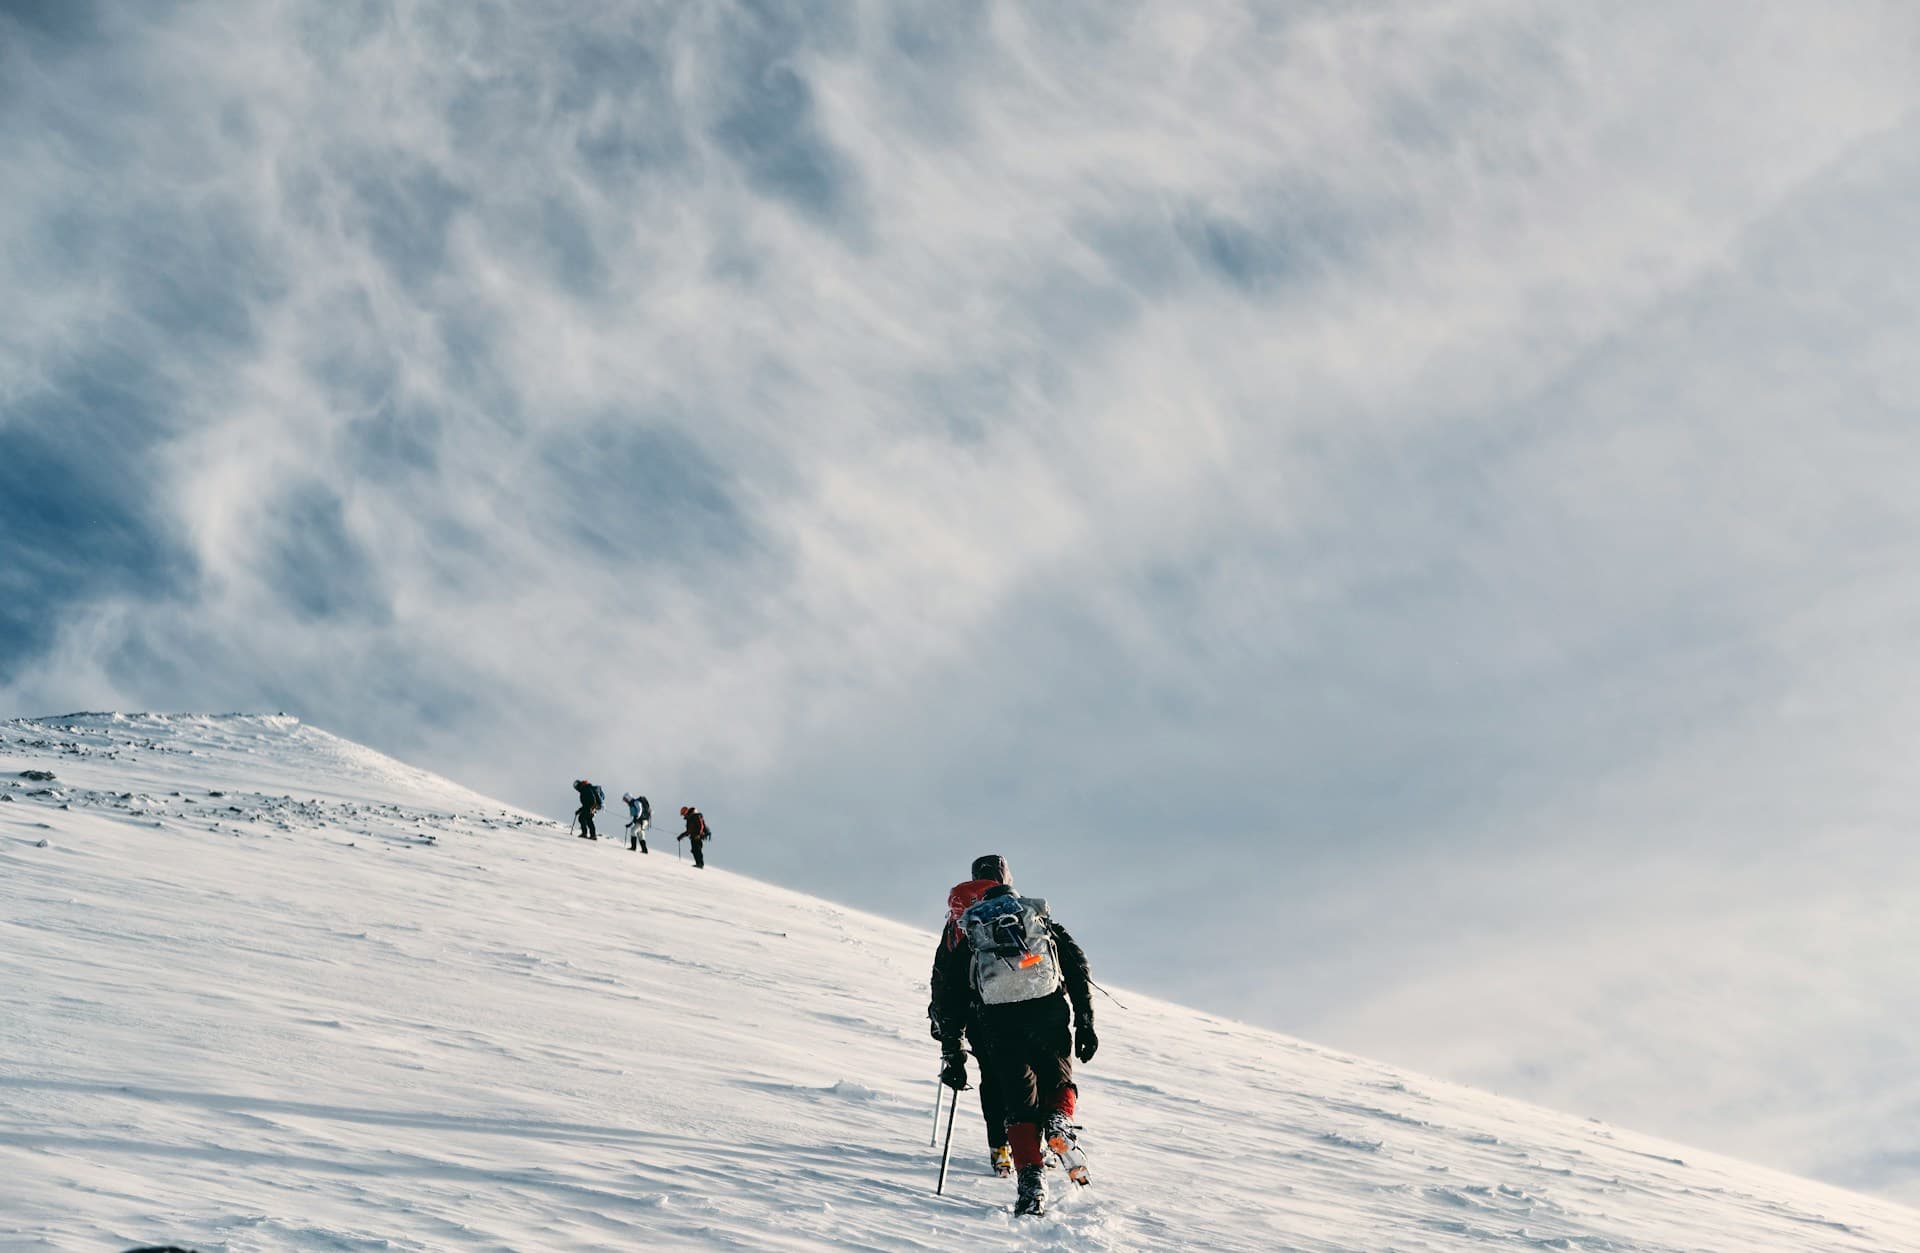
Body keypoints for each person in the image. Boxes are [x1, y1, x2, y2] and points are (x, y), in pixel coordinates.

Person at [929, 853, 1097, 1217]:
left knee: (1018, 1103)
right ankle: (1058, 1120)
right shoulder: (1034, 917)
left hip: (995, 1022)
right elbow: (1075, 964)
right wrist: (1085, 1020)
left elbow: (949, 993)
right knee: (1057, 1080)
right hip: (1047, 1012)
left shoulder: (969, 926)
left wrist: (953, 1051)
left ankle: (1030, 1181)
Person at [928, 872, 1013, 1177]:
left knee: (992, 1078)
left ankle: (999, 1148)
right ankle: (1031, 1141)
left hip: (976, 1014)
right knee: (1026, 1077)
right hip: (1016, 1009)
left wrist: (943, 1022)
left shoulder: (957, 919)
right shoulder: (1012, 911)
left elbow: (943, 973)